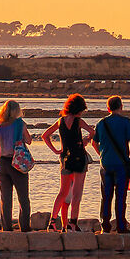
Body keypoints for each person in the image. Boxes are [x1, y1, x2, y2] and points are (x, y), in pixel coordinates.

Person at [0, 98, 31, 232]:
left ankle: (6, 227)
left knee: (5, 198)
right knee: (23, 197)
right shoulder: (19, 123)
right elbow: (28, 140)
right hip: (17, 163)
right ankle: (25, 227)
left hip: (2, 163)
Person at [93, 96, 130, 232]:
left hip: (105, 164)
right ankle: (121, 226)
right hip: (121, 164)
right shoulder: (126, 122)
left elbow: (94, 142)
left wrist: (101, 155)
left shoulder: (101, 123)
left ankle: (105, 225)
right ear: (121, 106)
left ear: (108, 108)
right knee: (121, 196)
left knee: (106, 196)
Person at [52, 93, 92, 228]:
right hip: (79, 157)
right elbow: (93, 132)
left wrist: (56, 150)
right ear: (79, 109)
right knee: (76, 193)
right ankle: (73, 223)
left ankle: (52, 221)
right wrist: (86, 140)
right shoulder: (79, 121)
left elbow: (45, 135)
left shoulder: (60, 121)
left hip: (65, 158)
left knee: (63, 192)